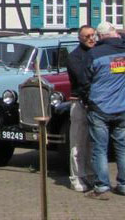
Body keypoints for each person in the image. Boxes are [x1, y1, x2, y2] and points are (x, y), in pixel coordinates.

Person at [79, 20, 125, 199]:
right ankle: (123, 184)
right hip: (121, 107)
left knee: (99, 148)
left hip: (99, 107)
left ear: (100, 36)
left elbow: (84, 81)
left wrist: (87, 100)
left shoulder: (93, 54)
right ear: (113, 32)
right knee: (122, 147)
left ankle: (102, 187)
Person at [66, 24, 96, 192]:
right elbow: (83, 79)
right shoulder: (74, 57)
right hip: (79, 102)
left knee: (91, 143)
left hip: (94, 103)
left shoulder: (96, 52)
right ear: (80, 38)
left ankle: (90, 174)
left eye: (93, 35)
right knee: (77, 143)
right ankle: (76, 177)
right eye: (87, 36)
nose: (91, 38)